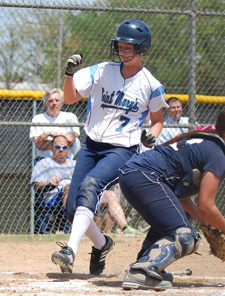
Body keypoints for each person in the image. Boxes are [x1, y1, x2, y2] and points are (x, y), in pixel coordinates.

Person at [51, 19, 168, 275]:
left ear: (143, 50)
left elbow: (158, 121)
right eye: (121, 45)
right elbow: (70, 98)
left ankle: (70, 251)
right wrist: (70, 74)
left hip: (122, 150)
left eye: (130, 47)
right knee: (73, 210)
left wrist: (152, 135)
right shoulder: (102, 70)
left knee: (91, 185)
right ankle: (103, 244)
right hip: (92, 145)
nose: (123, 50)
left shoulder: (151, 84)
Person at [118, 108, 225, 290]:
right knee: (186, 236)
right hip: (144, 176)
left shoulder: (205, 141)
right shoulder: (218, 154)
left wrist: (205, 221)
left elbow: (178, 196)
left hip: (134, 174)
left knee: (180, 217)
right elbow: (206, 205)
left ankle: (147, 264)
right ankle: (142, 272)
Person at [31, 135, 75, 234]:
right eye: (58, 147)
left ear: (68, 149)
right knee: (69, 187)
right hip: (53, 197)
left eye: (64, 147)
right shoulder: (44, 163)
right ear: (51, 148)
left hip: (76, 194)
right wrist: (49, 182)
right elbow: (36, 185)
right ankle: (73, 228)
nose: (61, 150)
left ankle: (108, 233)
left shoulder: (75, 164)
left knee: (110, 195)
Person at [29, 88, 81, 162]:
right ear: (45, 103)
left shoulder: (70, 117)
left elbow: (71, 140)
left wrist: (49, 134)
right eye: (50, 101)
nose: (54, 103)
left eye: (57, 100)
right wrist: (63, 142)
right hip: (44, 160)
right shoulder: (37, 119)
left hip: (66, 160)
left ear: (61, 103)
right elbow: (39, 145)